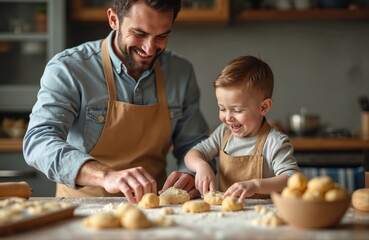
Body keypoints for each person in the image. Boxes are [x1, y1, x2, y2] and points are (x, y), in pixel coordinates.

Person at [23, 0, 211, 203]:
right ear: (114, 19)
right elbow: (38, 141)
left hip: (153, 207)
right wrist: (105, 176)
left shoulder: (181, 72)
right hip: (80, 208)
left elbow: (194, 143)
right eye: (139, 34)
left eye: (162, 37)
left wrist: (191, 175)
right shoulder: (69, 69)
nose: (149, 49)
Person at [184, 55, 300, 200]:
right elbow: (192, 154)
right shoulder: (223, 133)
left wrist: (256, 185)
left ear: (263, 107)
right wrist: (201, 166)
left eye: (237, 110)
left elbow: (291, 179)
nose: (228, 117)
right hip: (227, 215)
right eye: (222, 108)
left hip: (263, 215)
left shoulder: (275, 142)